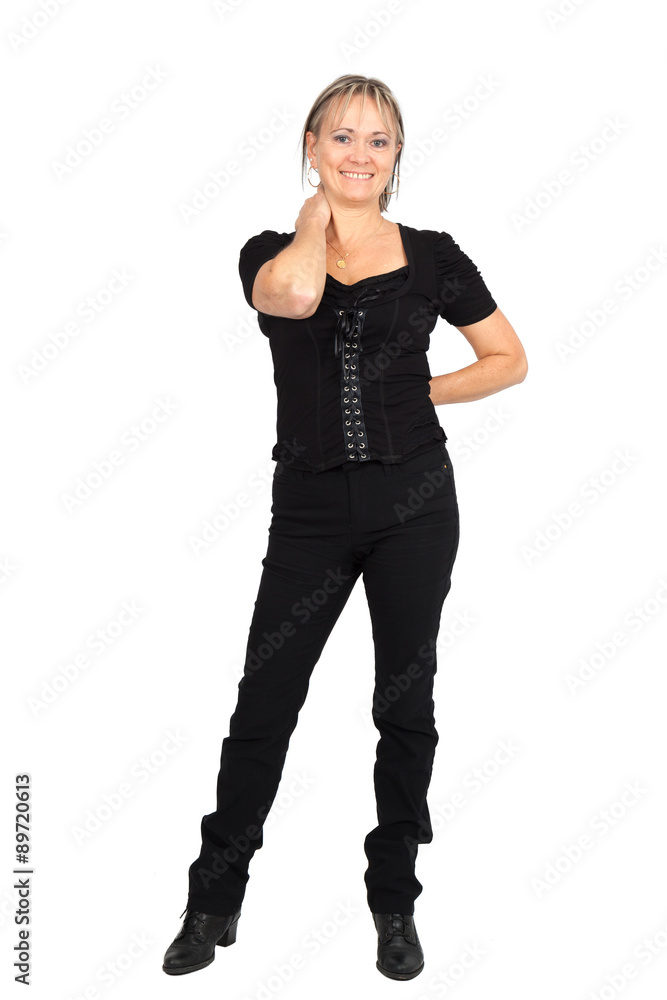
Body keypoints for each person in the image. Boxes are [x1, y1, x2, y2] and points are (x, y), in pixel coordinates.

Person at [163, 73, 528, 981]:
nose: (359, 154)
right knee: (265, 699)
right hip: (310, 509)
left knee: (404, 702)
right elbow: (291, 300)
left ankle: (393, 899)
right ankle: (213, 899)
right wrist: (314, 220)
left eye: (377, 140)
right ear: (312, 146)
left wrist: (415, 393)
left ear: (396, 155)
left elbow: (506, 359)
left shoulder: (435, 256)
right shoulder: (269, 251)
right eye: (341, 137)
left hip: (415, 504)